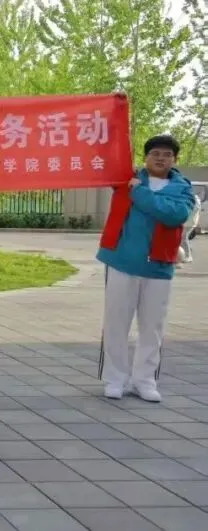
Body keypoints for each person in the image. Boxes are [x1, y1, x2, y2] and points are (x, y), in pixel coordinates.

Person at [97, 135, 195, 402]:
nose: (160, 158)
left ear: (175, 160)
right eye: (155, 153)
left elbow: (174, 215)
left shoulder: (182, 189)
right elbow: (102, 162)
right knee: (116, 323)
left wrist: (139, 193)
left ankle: (144, 381)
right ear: (146, 157)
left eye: (167, 154)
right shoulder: (125, 179)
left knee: (152, 327)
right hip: (122, 261)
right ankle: (115, 379)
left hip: (159, 266)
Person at [178, 192, 201, 265]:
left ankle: (188, 256)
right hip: (189, 222)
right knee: (183, 238)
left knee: (183, 238)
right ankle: (185, 254)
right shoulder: (193, 199)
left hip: (189, 223)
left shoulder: (195, 200)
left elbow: (192, 211)